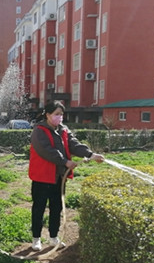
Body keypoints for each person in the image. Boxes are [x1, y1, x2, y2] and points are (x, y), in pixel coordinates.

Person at [29, 101, 104, 251]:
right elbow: (46, 151)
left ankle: (53, 237)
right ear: (48, 115)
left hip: (58, 177)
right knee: (39, 208)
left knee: (56, 208)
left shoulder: (63, 130)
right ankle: (36, 239)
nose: (60, 117)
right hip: (42, 176)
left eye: (61, 114)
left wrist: (91, 154)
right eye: (56, 114)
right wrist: (65, 162)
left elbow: (74, 144)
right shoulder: (39, 131)